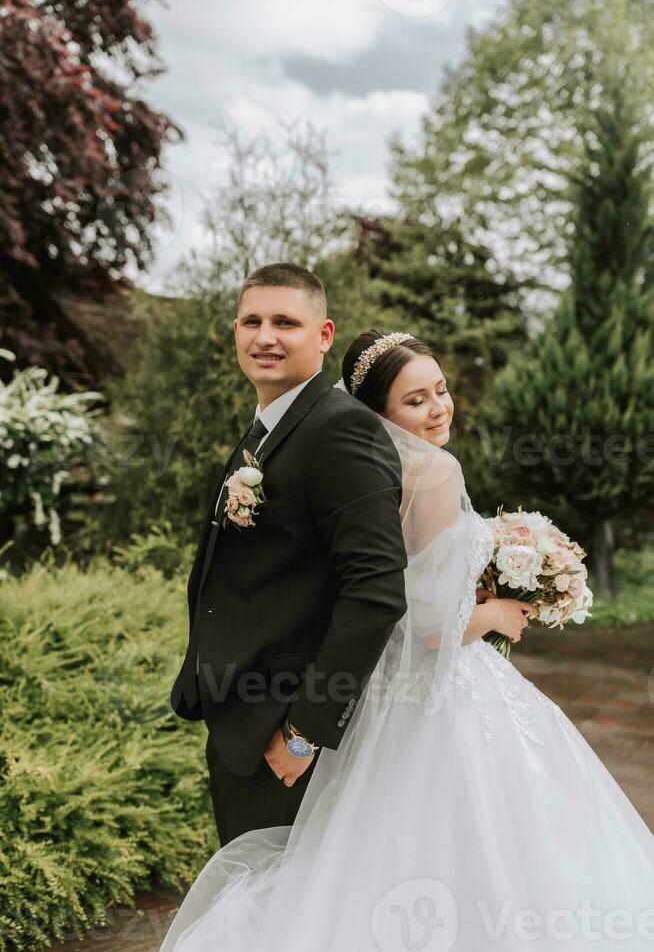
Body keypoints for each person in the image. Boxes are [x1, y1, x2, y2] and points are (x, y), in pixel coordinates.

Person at [162, 330, 654, 951]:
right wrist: (498, 612)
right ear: (380, 414)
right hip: (437, 694)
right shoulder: (436, 472)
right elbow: (422, 626)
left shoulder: (358, 463)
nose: (439, 408)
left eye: (441, 390)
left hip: (374, 692)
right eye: (415, 401)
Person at [169, 266, 408, 846]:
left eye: (285, 322)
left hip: (287, 732)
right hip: (243, 718)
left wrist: (304, 732)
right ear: (234, 331)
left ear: (323, 335)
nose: (265, 336)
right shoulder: (268, 429)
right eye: (252, 321)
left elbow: (376, 591)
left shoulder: (340, 429)